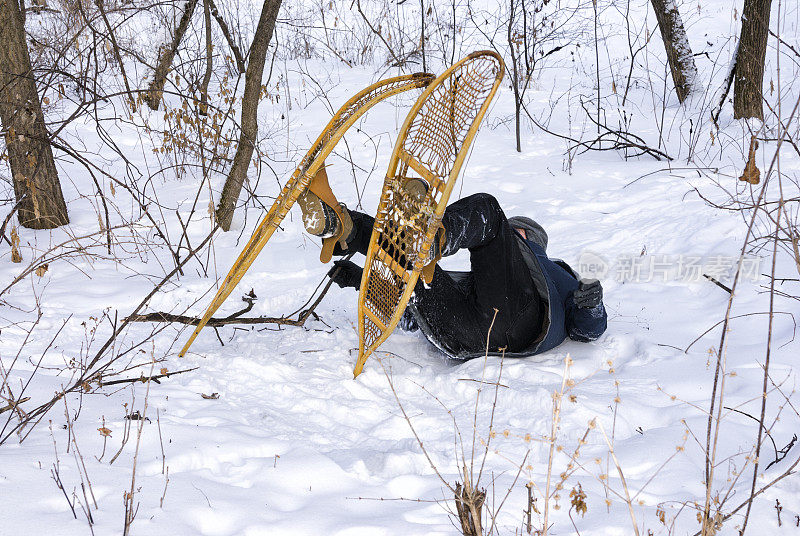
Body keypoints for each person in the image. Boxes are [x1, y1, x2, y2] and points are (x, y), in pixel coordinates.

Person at [298, 180, 607, 359]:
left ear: (529, 238)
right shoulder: (487, 283)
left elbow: (587, 331)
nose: (511, 236)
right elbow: (411, 317)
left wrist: (591, 305)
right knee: (412, 265)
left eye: (517, 232)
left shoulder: (558, 272)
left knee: (487, 209)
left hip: (522, 323)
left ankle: (430, 236)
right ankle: (341, 226)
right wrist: (362, 282)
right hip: (460, 336)